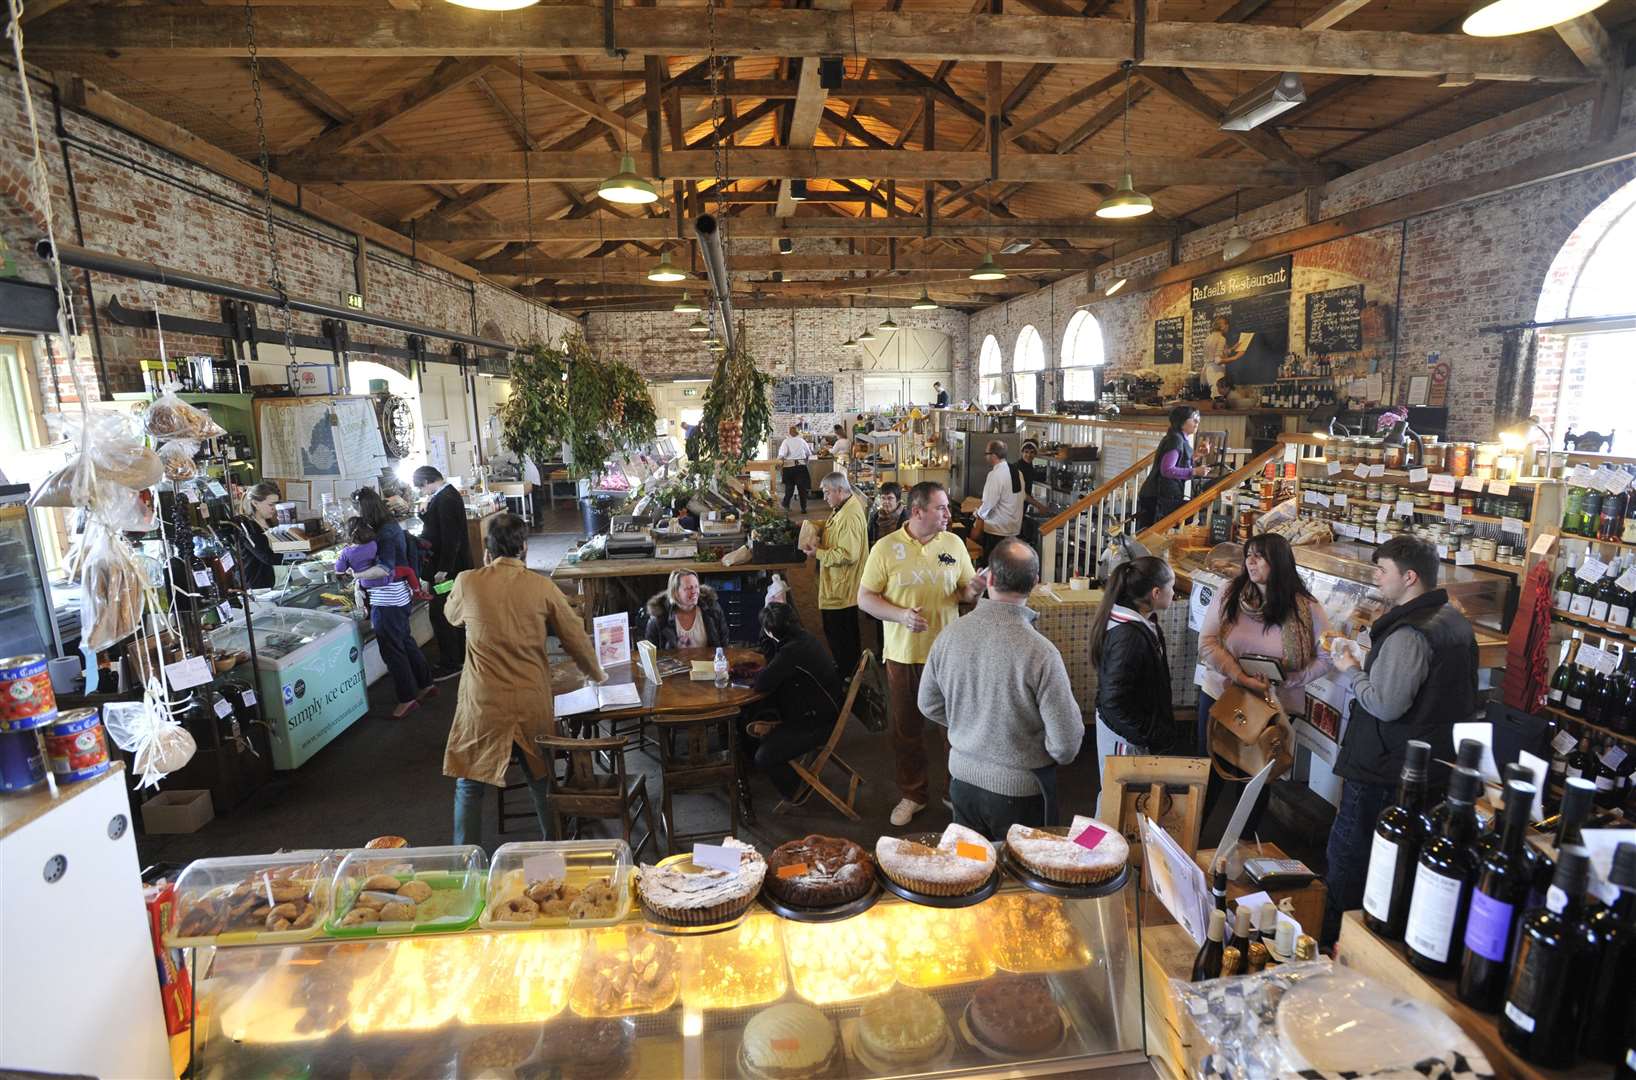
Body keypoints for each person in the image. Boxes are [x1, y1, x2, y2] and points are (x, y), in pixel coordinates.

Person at [1320, 536, 1477, 947]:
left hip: (1382, 766)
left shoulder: (1410, 633)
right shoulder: (1454, 620)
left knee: (1350, 863)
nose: (1376, 576)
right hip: (1424, 766)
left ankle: (1336, 949)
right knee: (1398, 866)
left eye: (1382, 570)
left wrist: (1352, 668)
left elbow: (1386, 705)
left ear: (1409, 577)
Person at [444, 513, 605, 846]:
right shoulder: (541, 586)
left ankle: (465, 865)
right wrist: (596, 673)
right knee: (541, 781)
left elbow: (452, 616)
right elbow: (574, 636)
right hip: (529, 702)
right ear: (525, 548)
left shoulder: (467, 582)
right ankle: (553, 855)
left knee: (469, 786)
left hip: (482, 704)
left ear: (488, 549)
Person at [918, 539, 1082, 839]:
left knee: (972, 868)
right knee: (1020, 878)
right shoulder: (1040, 652)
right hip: (1020, 790)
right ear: (1034, 582)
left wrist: (970, 724)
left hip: (961, 780)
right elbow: (1066, 745)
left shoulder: (950, 634)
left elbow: (927, 703)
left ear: (989, 578)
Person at [858, 481, 990, 826]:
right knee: (906, 729)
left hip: (950, 654)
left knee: (955, 730)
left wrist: (974, 589)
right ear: (917, 512)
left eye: (947, 507)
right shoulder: (885, 548)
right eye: (941, 508)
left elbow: (963, 594)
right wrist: (900, 615)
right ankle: (913, 794)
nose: (949, 513)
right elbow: (865, 598)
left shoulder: (954, 543)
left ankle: (954, 792)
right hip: (904, 655)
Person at [1197, 533, 1331, 824]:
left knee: (1255, 783)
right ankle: (1188, 845)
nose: (1251, 560)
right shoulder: (1230, 592)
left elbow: (1327, 656)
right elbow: (1207, 643)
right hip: (1223, 696)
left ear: (1280, 562)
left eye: (1260, 555)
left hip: (1274, 707)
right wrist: (1239, 676)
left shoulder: (1306, 607)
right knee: (1209, 776)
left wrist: (1292, 680)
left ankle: (1239, 853)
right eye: (1248, 554)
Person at [1088, 556, 1182, 817]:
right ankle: (1097, 855)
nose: (1174, 594)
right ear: (1155, 593)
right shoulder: (1129, 636)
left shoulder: (1138, 624)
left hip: (1129, 733)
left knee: (1122, 799)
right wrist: (1148, 734)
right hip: (1125, 738)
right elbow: (1112, 702)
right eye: (1172, 588)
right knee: (1115, 801)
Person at [743, 600, 844, 814]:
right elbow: (774, 667)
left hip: (817, 723)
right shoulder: (805, 638)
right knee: (760, 714)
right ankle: (766, 735)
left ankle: (797, 789)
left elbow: (762, 683)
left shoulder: (791, 652)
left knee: (764, 756)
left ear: (770, 632)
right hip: (826, 709)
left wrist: (767, 641)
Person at [351, 488, 435, 718]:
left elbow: (385, 567)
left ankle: (407, 698)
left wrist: (355, 574)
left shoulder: (384, 533)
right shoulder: (389, 525)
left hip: (388, 598)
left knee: (392, 649)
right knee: (405, 641)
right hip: (399, 596)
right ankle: (426, 684)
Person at [801, 472, 866, 678]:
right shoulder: (842, 507)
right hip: (839, 585)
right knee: (841, 632)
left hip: (843, 588)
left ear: (840, 490)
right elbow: (835, 528)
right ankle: (848, 669)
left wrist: (817, 553)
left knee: (841, 633)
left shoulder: (850, 515)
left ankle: (848, 675)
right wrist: (817, 526)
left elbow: (849, 554)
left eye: (827, 492)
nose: (825, 497)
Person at [414, 465, 473, 679]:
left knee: (442, 613)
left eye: (422, 488)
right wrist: (424, 516)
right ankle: (459, 656)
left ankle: (451, 662)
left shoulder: (446, 498)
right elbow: (438, 529)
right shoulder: (445, 495)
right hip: (449, 568)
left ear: (428, 482)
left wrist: (443, 569)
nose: (423, 493)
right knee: (452, 611)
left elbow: (451, 539)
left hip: (447, 571)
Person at [1135, 406, 1211, 530]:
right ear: (1181, 423)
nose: (1197, 422)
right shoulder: (1175, 440)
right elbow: (1167, 470)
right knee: (1151, 536)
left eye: (1197, 418)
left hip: (1161, 494)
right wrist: (1195, 471)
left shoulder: (1178, 437)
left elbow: (1178, 461)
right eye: (1193, 419)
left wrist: (1197, 455)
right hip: (1157, 496)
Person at [968, 439, 1024, 563]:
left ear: (993, 456)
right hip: (1014, 529)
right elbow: (1021, 497)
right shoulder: (1017, 472)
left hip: (997, 531)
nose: (985, 457)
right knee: (1008, 566)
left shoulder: (995, 475)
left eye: (986, 454)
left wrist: (977, 516)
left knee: (993, 567)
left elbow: (988, 503)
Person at [644, 568, 729, 649]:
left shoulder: (713, 608)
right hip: (674, 663)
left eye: (696, 587)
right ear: (675, 593)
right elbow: (651, 653)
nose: (694, 592)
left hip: (708, 662)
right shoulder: (659, 616)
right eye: (688, 588)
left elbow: (724, 643)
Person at [230, 481, 282, 589]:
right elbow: (267, 557)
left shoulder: (270, 522)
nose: (275, 508)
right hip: (256, 587)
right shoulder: (246, 526)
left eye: (276, 504)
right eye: (271, 504)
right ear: (255, 503)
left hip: (277, 583)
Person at [777, 423, 813, 513]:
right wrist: (806, 461)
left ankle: (786, 505)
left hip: (788, 467)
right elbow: (809, 453)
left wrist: (778, 465)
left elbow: (782, 455)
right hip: (800, 466)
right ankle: (803, 508)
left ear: (789, 433)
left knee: (789, 488)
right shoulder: (801, 441)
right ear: (797, 432)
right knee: (802, 489)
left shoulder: (786, 441)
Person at [1015, 441, 1050, 515]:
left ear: (1035, 454)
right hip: (1015, 507)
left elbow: (1035, 476)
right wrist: (1040, 506)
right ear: (1022, 453)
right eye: (1026, 452)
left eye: (1032, 452)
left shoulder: (1029, 467)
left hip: (1020, 507)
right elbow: (1023, 494)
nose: (1029, 455)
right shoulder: (1019, 468)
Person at [868, 482, 908, 546]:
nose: (886, 502)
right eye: (883, 498)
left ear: (898, 500)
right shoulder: (875, 517)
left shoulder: (906, 519)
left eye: (890, 498)